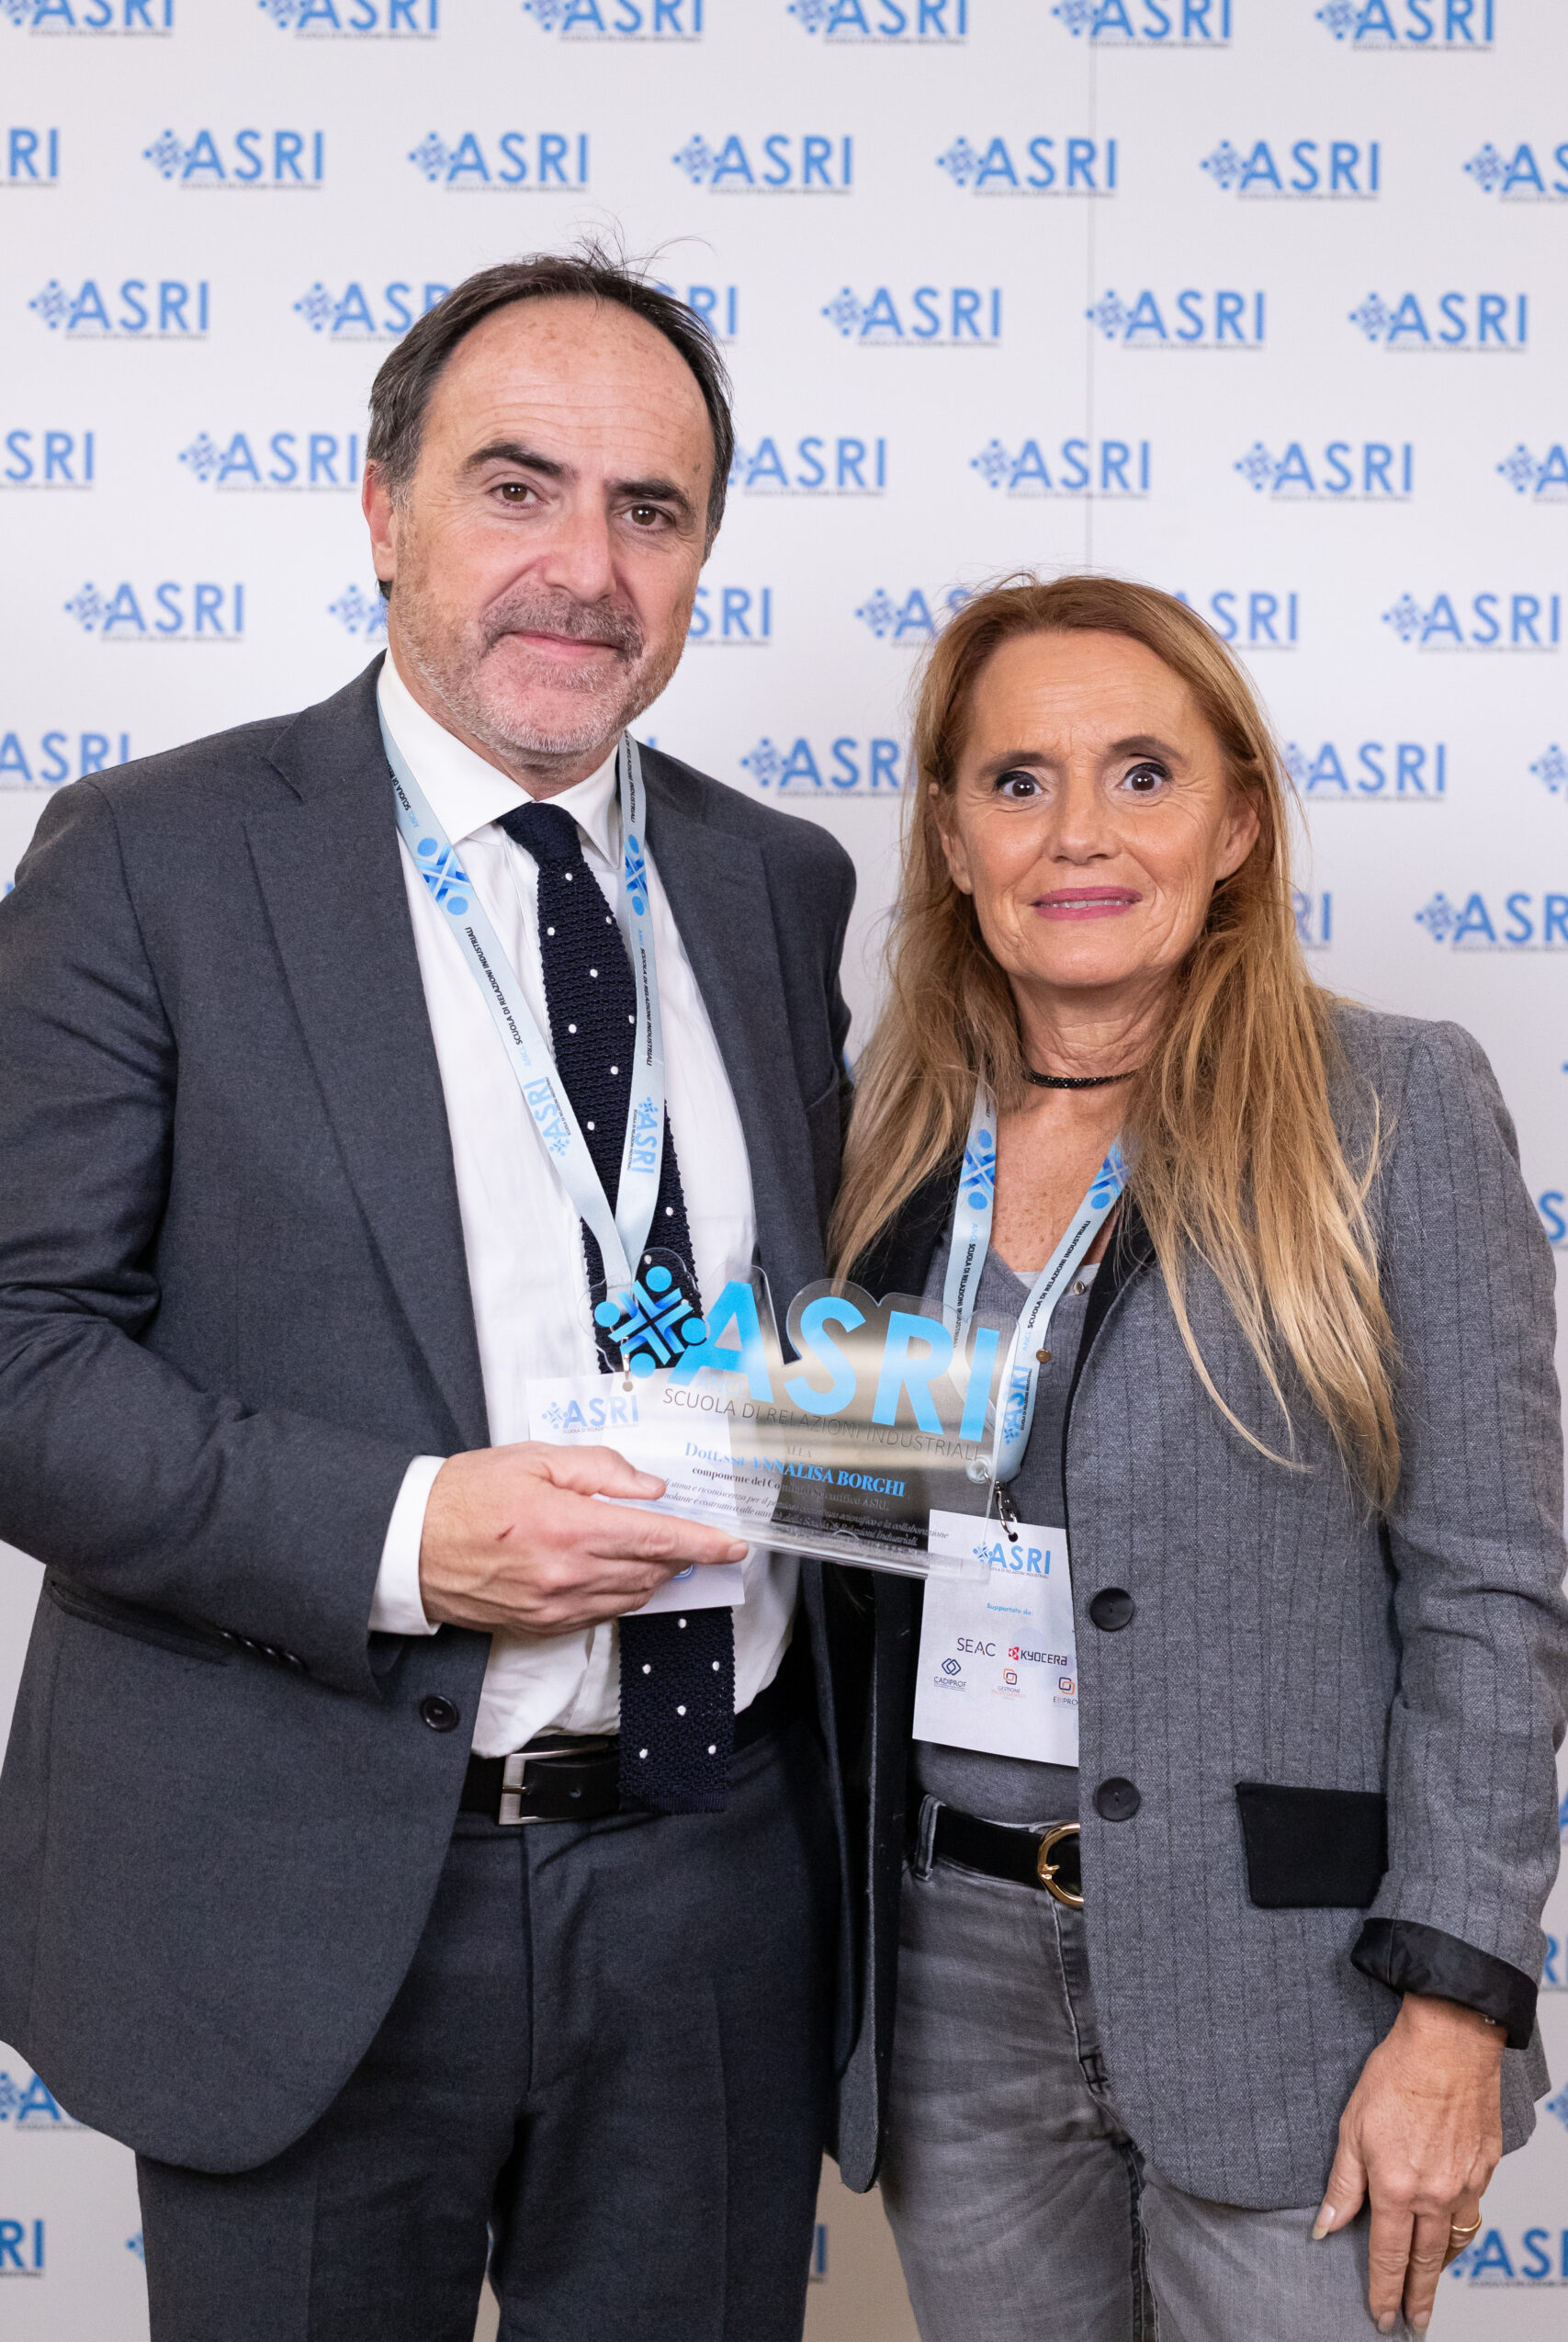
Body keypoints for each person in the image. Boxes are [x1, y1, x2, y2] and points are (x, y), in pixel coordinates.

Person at [0, 249, 859, 2342]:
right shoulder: (150, 857)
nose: (586, 567)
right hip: (304, 1892)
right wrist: (406, 1536)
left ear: (703, 556)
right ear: (383, 510)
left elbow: (803, 1330)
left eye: (648, 509)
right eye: (516, 486)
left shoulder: (774, 880)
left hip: (713, 1874)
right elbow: (19, 1359)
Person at [826, 574, 1568, 2340]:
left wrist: (1456, 2006)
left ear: (1236, 823)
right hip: (951, 1984)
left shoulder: (1393, 1103)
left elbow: (1494, 1589)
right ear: (952, 836)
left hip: (1295, 1984)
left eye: (1143, 775)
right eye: (1018, 782)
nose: (1078, 832)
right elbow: (835, 1544)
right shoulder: (881, 1135)